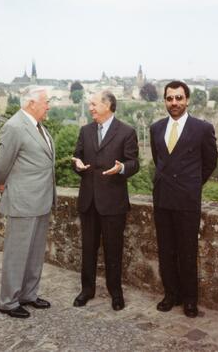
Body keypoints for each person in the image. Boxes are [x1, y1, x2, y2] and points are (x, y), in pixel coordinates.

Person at [150, 80, 218, 318]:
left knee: (187, 252)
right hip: (162, 199)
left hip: (187, 201)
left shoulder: (202, 128)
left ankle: (190, 300)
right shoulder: (156, 128)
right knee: (166, 250)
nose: (174, 103)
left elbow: (210, 162)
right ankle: (171, 295)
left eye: (179, 98)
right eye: (170, 98)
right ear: (165, 101)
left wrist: (191, 184)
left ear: (187, 100)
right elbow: (158, 160)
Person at [0, 85, 56, 319]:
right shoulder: (15, 126)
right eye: (46, 102)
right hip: (22, 200)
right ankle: (8, 302)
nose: (48, 106)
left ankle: (28, 294)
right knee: (17, 254)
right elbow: (1, 164)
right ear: (31, 103)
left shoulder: (38, 127)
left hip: (41, 200)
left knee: (35, 253)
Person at [72, 90, 139, 311]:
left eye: (93, 104)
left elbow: (134, 163)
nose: (90, 108)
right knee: (88, 249)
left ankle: (116, 293)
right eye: (90, 104)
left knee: (114, 250)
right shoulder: (85, 130)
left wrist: (121, 168)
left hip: (113, 203)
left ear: (108, 105)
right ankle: (87, 290)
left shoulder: (127, 132)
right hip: (89, 201)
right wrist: (77, 165)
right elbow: (77, 156)